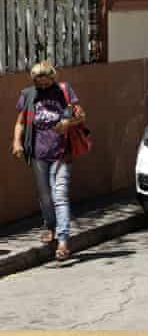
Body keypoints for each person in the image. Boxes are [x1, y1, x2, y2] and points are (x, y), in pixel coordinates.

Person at [12, 61, 87, 261]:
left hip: (62, 152)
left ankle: (63, 241)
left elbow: (80, 116)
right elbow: (20, 122)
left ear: (53, 79)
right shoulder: (28, 94)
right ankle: (51, 228)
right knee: (45, 196)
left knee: (59, 195)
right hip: (38, 154)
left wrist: (67, 122)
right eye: (39, 83)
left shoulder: (64, 91)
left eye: (46, 83)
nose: (43, 87)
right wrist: (17, 143)